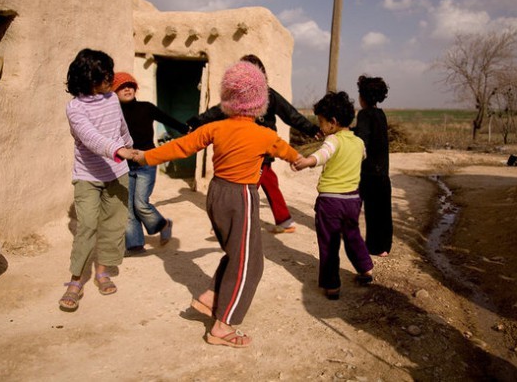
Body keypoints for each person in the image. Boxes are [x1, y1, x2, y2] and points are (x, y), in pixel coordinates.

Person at [133, 61, 301, 347]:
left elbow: (179, 146)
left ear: (228, 97)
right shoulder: (265, 135)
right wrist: (306, 160)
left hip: (216, 194)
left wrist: (144, 156)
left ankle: (211, 297)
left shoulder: (215, 128)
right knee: (250, 264)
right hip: (241, 196)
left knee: (235, 253)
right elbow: (292, 155)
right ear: (260, 100)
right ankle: (223, 326)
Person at [186, 54, 321, 234]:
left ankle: (232, 222)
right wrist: (197, 121)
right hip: (245, 147)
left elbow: (291, 115)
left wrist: (312, 129)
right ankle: (285, 221)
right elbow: (216, 112)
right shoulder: (238, 96)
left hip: (262, 149)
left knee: (247, 187)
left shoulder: (269, 95)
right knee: (269, 181)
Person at [59, 49, 137, 312]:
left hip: (117, 173)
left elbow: (120, 127)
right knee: (87, 225)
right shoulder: (75, 108)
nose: (110, 80)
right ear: (87, 78)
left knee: (114, 225)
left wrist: (130, 146)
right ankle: (76, 280)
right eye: (104, 76)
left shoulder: (112, 99)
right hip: (88, 176)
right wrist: (119, 150)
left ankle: (102, 271)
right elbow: (90, 138)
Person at [293, 91, 374, 300]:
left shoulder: (333, 140)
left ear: (333, 122)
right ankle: (366, 268)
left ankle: (332, 285)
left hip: (330, 202)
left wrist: (305, 162)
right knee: (352, 235)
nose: (320, 126)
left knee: (329, 242)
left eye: (321, 122)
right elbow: (362, 157)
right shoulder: (358, 143)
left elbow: (322, 155)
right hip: (353, 201)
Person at [112, 72, 189, 255]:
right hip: (124, 164)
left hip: (147, 160)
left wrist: (188, 130)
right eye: (122, 86)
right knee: (128, 206)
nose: (127, 89)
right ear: (114, 92)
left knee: (140, 203)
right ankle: (135, 244)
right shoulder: (113, 114)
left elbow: (168, 120)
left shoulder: (146, 107)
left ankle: (163, 224)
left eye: (130, 85)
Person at [351, 75, 393, 257]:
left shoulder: (364, 114)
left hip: (369, 171)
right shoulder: (380, 114)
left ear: (363, 97)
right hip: (383, 170)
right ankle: (384, 247)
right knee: (383, 209)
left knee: (371, 210)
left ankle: (373, 246)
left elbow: (362, 140)